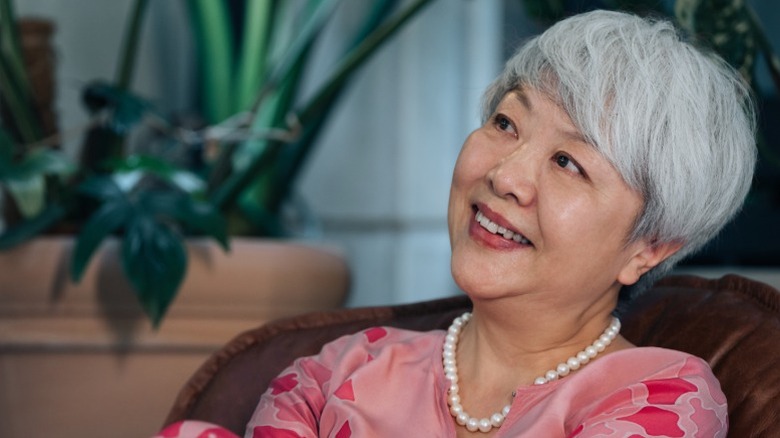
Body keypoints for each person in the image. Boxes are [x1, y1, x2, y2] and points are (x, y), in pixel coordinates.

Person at [155, 9, 756, 438]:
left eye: (568, 162)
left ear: (649, 246)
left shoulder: (661, 397)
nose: (506, 176)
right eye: (505, 124)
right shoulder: (337, 372)